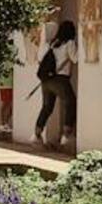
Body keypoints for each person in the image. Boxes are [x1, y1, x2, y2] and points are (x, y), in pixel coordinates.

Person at [35, 20, 79, 150]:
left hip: (47, 80)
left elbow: (40, 58)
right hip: (60, 79)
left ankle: (37, 134)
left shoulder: (53, 44)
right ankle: (66, 135)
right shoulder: (69, 43)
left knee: (47, 107)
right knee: (70, 102)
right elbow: (76, 58)